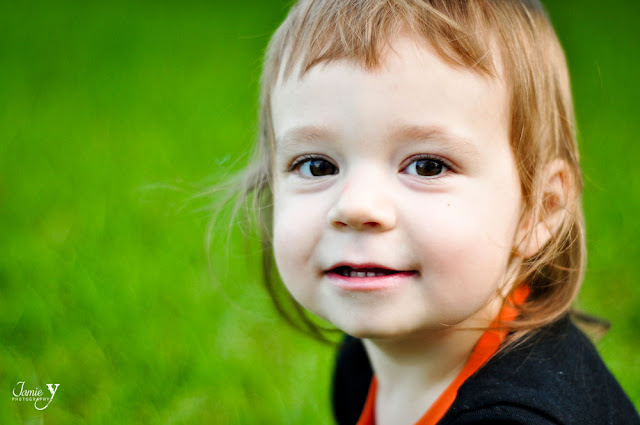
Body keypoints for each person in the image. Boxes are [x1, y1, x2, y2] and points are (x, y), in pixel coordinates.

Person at [229, 0, 640, 423]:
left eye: (427, 166)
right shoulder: (361, 364)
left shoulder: (518, 416)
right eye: (318, 166)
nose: (355, 206)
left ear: (540, 209)